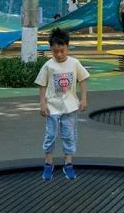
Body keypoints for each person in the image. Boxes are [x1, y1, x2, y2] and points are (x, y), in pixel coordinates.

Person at [35, 28, 90, 181]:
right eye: (55, 51)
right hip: (52, 106)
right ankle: (48, 163)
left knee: (69, 134)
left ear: (68, 47)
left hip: (70, 106)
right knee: (51, 134)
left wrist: (84, 99)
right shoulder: (48, 65)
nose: (59, 54)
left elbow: (82, 80)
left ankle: (68, 163)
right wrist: (42, 103)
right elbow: (42, 85)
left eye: (62, 51)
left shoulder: (74, 63)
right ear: (51, 49)